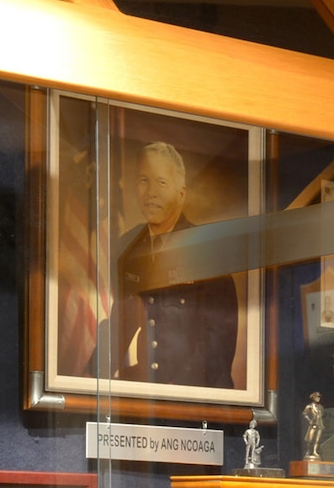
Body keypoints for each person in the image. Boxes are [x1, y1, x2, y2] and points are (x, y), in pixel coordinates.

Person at [96, 141, 239, 390]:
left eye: (161, 182)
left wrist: (171, 396)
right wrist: (90, 376)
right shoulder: (127, 247)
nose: (151, 192)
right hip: (146, 395)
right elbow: (122, 321)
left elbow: (217, 350)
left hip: (193, 400)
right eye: (143, 180)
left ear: (181, 193)